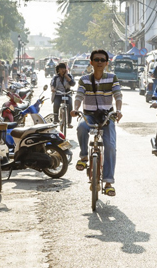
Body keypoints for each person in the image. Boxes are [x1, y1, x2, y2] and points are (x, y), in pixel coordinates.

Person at [71, 50, 123, 197]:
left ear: (107, 63)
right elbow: (79, 95)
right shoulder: (84, 79)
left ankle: (108, 183)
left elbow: (118, 95)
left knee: (111, 146)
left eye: (102, 60)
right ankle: (83, 157)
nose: (99, 62)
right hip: (89, 116)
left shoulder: (112, 78)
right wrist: (75, 109)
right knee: (81, 127)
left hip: (107, 117)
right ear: (91, 62)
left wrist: (118, 110)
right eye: (96, 59)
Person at [51, 63, 75, 127]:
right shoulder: (55, 77)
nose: (63, 70)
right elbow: (52, 85)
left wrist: (66, 76)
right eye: (61, 69)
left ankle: (69, 123)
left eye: (64, 68)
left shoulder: (69, 76)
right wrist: (53, 89)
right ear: (58, 70)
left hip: (67, 94)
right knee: (56, 104)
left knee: (70, 104)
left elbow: (73, 83)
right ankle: (56, 119)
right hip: (58, 94)